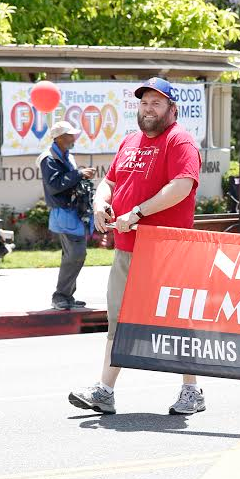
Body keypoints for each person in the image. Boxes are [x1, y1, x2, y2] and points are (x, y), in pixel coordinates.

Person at [69, 77, 203, 416]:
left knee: (176, 321)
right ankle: (105, 391)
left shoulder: (180, 141)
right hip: (128, 251)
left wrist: (138, 212)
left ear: (173, 109)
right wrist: (100, 204)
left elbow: (182, 186)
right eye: (144, 102)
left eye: (157, 103)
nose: (149, 108)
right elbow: (110, 181)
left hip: (167, 251)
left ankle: (192, 390)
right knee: (119, 322)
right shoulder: (130, 141)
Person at [38, 120, 96, 310]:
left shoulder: (64, 155)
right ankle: (60, 296)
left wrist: (80, 175)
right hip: (64, 214)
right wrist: (79, 174)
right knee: (77, 254)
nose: (74, 138)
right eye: (70, 135)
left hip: (71, 213)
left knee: (71, 255)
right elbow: (55, 185)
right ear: (60, 138)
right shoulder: (49, 159)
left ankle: (67, 296)